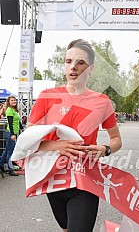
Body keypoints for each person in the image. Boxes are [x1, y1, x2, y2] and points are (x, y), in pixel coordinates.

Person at [26, 39, 122, 232]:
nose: (73, 67)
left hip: (85, 178)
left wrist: (105, 149)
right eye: (68, 61)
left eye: (80, 63)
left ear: (91, 68)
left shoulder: (102, 102)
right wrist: (56, 146)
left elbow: (117, 139)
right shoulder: (47, 96)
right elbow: (27, 138)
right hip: (54, 179)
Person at [0, 96, 23, 176]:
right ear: (8, 102)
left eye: (14, 100)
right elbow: (10, 123)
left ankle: (1, 165)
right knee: (10, 152)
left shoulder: (14, 110)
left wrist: (21, 127)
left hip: (12, 133)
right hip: (10, 133)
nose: (14, 101)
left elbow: (17, 121)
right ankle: (10, 169)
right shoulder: (9, 110)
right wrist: (13, 134)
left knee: (7, 151)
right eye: (12, 100)